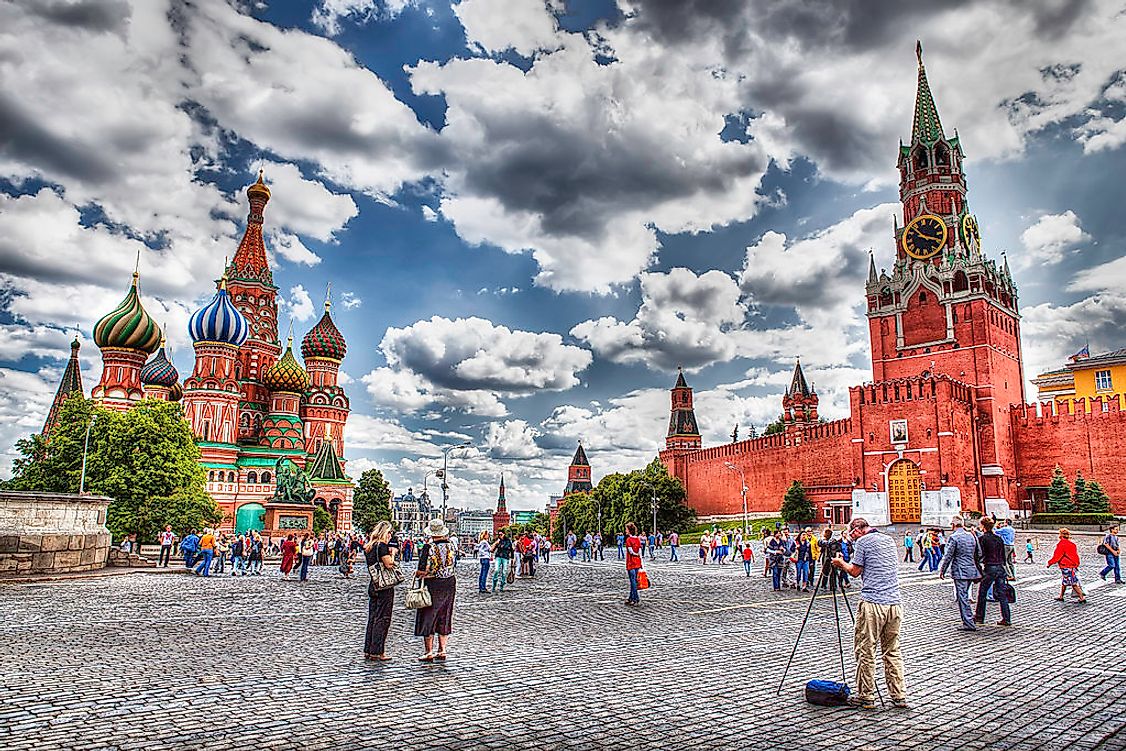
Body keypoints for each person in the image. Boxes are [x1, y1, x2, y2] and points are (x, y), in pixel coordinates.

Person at [830, 517, 909, 710]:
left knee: (865, 650)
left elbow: (855, 571)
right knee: (892, 651)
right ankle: (898, 695)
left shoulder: (863, 542)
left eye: (852, 535)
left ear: (857, 530)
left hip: (873, 603)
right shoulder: (888, 540)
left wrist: (841, 563)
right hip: (894, 603)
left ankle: (866, 695)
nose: (852, 539)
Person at [415, 518, 457, 661]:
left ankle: (428, 651)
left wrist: (419, 574)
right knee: (445, 613)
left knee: (429, 614)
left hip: (433, 583)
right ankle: (442, 649)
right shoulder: (452, 545)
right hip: (450, 582)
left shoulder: (429, 547)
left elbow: (422, 569)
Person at [938, 516, 982, 631]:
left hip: (960, 571)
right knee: (965, 596)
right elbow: (979, 553)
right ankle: (970, 619)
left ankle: (968, 623)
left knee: (962, 597)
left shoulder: (954, 537)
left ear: (953, 525)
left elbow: (948, 556)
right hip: (972, 570)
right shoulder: (972, 535)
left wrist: (942, 570)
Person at [363, 521, 396, 661]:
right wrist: (393, 554)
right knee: (383, 618)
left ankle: (368, 649)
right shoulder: (382, 546)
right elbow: (388, 564)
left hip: (374, 584)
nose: (390, 536)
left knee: (373, 617)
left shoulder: (369, 547)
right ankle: (378, 650)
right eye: (389, 533)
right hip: (384, 586)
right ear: (385, 532)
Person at [974, 517, 1012, 627]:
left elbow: (979, 555)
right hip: (1000, 567)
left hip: (990, 567)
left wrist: (979, 569)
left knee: (982, 593)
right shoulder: (999, 538)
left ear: (983, 526)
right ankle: (1006, 618)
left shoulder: (983, 539)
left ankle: (979, 616)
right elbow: (1003, 556)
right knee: (1002, 594)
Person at [1047, 528, 1087, 603]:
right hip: (1072, 565)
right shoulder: (1072, 544)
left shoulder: (1061, 544)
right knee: (1065, 582)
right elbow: (1075, 555)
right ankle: (1061, 596)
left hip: (1066, 565)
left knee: (1073, 583)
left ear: (1060, 535)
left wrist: (1050, 563)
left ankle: (1082, 597)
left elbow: (1057, 556)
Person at [624, 522, 643, 606]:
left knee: (633, 582)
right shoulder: (637, 539)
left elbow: (631, 551)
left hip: (631, 563)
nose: (625, 531)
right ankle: (630, 598)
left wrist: (635, 554)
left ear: (629, 530)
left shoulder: (628, 540)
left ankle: (636, 598)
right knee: (634, 580)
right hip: (637, 562)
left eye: (626, 529)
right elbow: (639, 551)